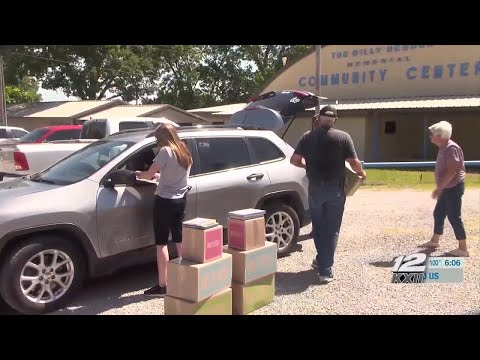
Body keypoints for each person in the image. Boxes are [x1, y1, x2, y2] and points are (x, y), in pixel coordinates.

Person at [290, 105, 366, 283]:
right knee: (332, 229)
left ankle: (321, 261)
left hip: (315, 189)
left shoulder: (307, 137)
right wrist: (361, 173)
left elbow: (294, 160)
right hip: (336, 190)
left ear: (319, 119)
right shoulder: (343, 137)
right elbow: (354, 162)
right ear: (334, 121)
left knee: (319, 226)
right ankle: (326, 269)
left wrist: (306, 165)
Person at [136, 123, 193, 296]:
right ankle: (187, 279)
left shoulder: (165, 151)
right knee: (179, 239)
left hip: (164, 202)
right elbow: (176, 175)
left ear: (161, 138)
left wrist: (137, 174)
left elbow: (148, 174)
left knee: (161, 243)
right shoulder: (184, 151)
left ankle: (163, 284)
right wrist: (161, 176)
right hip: (180, 200)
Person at [420, 121, 469, 257]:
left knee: (454, 216)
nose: (430, 137)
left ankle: (463, 249)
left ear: (440, 136)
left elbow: (452, 172)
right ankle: (435, 241)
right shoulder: (443, 147)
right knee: (439, 212)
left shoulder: (451, 148)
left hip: (453, 187)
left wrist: (439, 188)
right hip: (446, 187)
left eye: (432, 134)